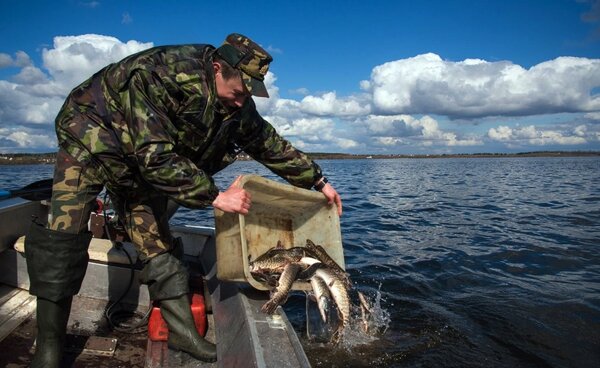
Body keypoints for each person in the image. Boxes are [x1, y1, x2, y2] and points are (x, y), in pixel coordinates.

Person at [24, 33, 342, 366]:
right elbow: (155, 156)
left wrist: (318, 181)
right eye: (237, 91)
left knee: (157, 242)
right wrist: (216, 195)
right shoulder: (156, 74)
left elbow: (268, 143)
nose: (241, 101)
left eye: (248, 93)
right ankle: (49, 345)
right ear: (217, 68)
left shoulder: (237, 103)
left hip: (140, 167)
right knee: (63, 238)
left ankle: (182, 333)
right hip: (91, 144)